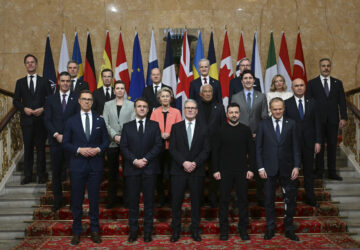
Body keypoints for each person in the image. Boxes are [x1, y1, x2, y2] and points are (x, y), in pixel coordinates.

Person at [63, 90, 110, 245]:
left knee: (94, 200)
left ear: (92, 102)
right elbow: (66, 143)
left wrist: (98, 150)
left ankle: (94, 231)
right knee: (76, 200)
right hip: (77, 165)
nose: (87, 102)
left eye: (89, 99)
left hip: (95, 165)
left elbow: (106, 141)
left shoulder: (99, 120)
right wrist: (79, 150)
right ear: (79, 101)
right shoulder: (71, 121)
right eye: (84, 99)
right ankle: (77, 232)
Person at [256, 97, 301, 241]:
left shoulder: (291, 124)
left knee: (290, 200)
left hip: (288, 168)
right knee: (269, 200)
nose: (277, 111)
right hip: (268, 169)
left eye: (280, 108)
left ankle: (289, 229)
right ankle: (270, 229)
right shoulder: (263, 124)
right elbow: (258, 148)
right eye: (274, 109)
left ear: (284, 108)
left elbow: (296, 146)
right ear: (270, 109)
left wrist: (296, 166)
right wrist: (260, 167)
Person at [120, 98, 163, 243]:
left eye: (145, 106)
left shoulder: (155, 126)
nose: (142, 109)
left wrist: (145, 159)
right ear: (135, 109)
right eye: (139, 106)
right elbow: (124, 147)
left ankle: (147, 232)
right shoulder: (127, 127)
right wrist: (134, 160)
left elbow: (158, 145)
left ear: (148, 109)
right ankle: (133, 232)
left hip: (149, 169)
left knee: (149, 203)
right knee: (133, 203)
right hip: (132, 170)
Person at [212, 103, 255, 241]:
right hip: (224, 171)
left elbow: (252, 152)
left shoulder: (246, 130)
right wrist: (216, 170)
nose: (234, 115)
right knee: (223, 201)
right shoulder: (219, 130)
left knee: (243, 201)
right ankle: (224, 231)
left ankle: (243, 230)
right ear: (227, 114)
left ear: (239, 114)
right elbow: (215, 153)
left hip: (242, 171)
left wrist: (251, 169)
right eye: (231, 112)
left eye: (236, 112)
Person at [169, 99, 210, 242]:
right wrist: (184, 162)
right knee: (176, 203)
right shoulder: (176, 127)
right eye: (188, 108)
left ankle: (195, 230)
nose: (190, 110)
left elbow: (206, 150)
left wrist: (194, 163)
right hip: (178, 170)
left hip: (196, 170)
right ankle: (176, 231)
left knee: (196, 202)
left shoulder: (204, 128)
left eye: (193, 108)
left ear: (197, 111)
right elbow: (172, 149)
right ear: (184, 110)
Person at [13, 54, 52, 185]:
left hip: (41, 120)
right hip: (27, 121)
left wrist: (43, 109)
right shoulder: (20, 82)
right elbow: (16, 101)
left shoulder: (44, 81)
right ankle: (28, 175)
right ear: (25, 65)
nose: (30, 64)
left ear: (36, 64)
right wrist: (24, 109)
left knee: (41, 149)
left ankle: (41, 175)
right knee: (28, 149)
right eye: (28, 62)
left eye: (32, 62)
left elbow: (51, 100)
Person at [231, 69, 268, 206]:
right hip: (240, 136)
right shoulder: (235, 97)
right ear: (242, 81)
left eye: (250, 78)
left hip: (258, 137)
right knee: (240, 166)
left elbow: (264, 117)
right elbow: (233, 116)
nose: (247, 80)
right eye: (245, 78)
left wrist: (258, 132)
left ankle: (260, 196)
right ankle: (239, 197)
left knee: (258, 165)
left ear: (254, 81)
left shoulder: (262, 96)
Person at [306, 58, 347, 180]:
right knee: (319, 147)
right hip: (317, 121)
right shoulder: (312, 83)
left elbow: (342, 102)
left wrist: (343, 117)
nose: (326, 68)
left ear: (331, 67)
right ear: (320, 67)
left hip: (333, 121)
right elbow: (308, 103)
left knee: (332, 146)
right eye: (323, 66)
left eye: (328, 66)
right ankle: (319, 172)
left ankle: (332, 172)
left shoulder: (337, 83)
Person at [44, 71, 79, 212]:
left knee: (73, 173)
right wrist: (56, 134)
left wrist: (68, 136)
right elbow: (47, 119)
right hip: (55, 142)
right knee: (57, 173)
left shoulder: (76, 98)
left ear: (70, 83)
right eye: (63, 81)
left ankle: (73, 202)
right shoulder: (50, 99)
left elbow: (77, 119)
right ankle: (58, 201)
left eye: (68, 81)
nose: (65, 83)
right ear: (58, 82)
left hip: (71, 142)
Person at [285, 78, 322, 208]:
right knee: (292, 173)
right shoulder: (286, 103)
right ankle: (292, 199)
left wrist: (318, 141)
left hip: (309, 143)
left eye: (301, 85)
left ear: (305, 87)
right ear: (292, 88)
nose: (299, 88)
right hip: (292, 144)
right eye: (296, 86)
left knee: (308, 172)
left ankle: (310, 197)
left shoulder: (313, 103)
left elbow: (317, 123)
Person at [102, 80, 136, 209]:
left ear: (125, 90)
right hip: (112, 143)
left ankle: (127, 201)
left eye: (122, 88)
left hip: (127, 143)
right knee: (112, 174)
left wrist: (123, 138)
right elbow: (105, 122)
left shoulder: (131, 104)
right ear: (114, 90)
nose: (120, 90)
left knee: (128, 173)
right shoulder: (107, 105)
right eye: (118, 88)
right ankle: (111, 201)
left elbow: (133, 122)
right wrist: (115, 136)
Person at [150, 87, 182, 207]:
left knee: (171, 174)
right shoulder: (155, 112)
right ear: (159, 98)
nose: (165, 98)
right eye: (162, 96)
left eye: (167, 96)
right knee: (158, 174)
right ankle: (161, 197)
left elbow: (179, 130)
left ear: (171, 98)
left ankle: (171, 198)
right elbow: (151, 130)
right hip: (158, 148)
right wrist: (160, 135)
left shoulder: (176, 112)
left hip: (172, 148)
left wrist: (170, 135)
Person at [197, 84, 226, 207]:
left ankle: (213, 197)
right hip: (199, 145)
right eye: (205, 91)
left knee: (215, 172)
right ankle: (200, 198)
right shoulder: (195, 107)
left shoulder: (219, 107)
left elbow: (223, 126)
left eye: (210, 91)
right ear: (201, 94)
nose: (208, 93)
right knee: (200, 173)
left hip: (215, 145)